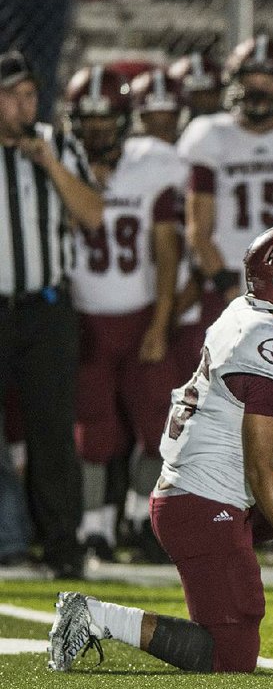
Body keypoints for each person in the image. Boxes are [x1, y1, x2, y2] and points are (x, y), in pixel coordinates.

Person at [47, 223, 273, 674]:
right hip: (199, 506)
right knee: (229, 658)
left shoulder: (249, 313)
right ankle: (96, 616)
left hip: (219, 489)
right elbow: (264, 466)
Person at [64, 65, 183, 562]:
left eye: (104, 119)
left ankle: (141, 514)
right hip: (84, 314)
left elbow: (165, 250)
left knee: (159, 419)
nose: (95, 130)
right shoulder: (60, 165)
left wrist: (159, 320)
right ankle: (95, 526)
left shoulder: (150, 162)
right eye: (86, 120)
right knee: (92, 427)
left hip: (138, 315)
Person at [0, 49, 104, 578]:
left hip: (45, 308)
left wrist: (50, 164)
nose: (25, 104)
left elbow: (92, 216)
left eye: (29, 94)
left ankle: (61, 546)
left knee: (52, 430)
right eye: (13, 95)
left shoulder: (57, 143)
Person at [179, 34, 273, 327]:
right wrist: (229, 287)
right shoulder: (209, 135)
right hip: (228, 280)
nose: (259, 89)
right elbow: (198, 231)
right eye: (251, 80)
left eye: (268, 80)